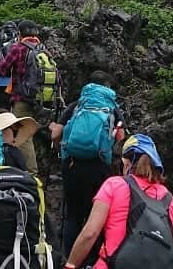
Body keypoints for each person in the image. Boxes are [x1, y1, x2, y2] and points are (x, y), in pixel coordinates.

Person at [65, 134, 173, 269]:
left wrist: (70, 265)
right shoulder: (169, 201)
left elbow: (90, 234)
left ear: (126, 163)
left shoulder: (114, 184)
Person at [48, 70, 125, 260]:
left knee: (73, 215)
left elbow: (55, 134)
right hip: (99, 167)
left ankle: (69, 258)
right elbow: (120, 137)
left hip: (73, 165)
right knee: (95, 216)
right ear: (108, 87)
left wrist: (63, 149)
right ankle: (91, 261)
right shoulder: (113, 109)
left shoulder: (77, 106)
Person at [0, 19, 46, 174]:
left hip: (22, 98)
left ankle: (30, 172)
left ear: (20, 33)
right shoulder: (43, 49)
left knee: (23, 134)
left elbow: (3, 67)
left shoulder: (19, 47)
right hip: (41, 100)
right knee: (31, 133)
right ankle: (31, 166)